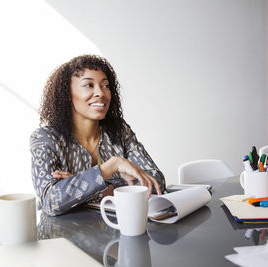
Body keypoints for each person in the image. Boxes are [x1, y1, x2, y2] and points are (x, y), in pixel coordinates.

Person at [30, 55, 166, 216]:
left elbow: (155, 180)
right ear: (67, 93)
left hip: (116, 232)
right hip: (64, 236)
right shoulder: (45, 138)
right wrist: (112, 166)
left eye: (106, 85)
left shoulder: (119, 131)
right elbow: (51, 201)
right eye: (89, 85)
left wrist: (87, 186)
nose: (100, 93)